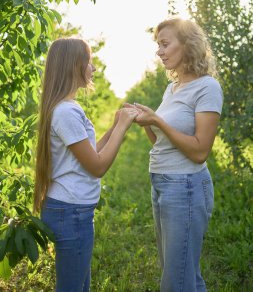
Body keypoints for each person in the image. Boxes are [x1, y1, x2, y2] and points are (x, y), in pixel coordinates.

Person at [33, 37, 138, 292]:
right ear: (74, 65)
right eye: (89, 62)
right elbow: (97, 166)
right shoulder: (66, 112)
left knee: (80, 285)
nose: (93, 68)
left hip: (71, 210)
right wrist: (122, 128)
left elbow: (88, 153)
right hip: (70, 212)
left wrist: (114, 126)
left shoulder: (67, 107)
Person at [127, 17, 223, 292]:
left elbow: (200, 150)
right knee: (181, 273)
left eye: (165, 44)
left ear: (188, 44)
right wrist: (147, 121)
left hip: (186, 188)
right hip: (161, 184)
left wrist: (158, 121)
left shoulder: (207, 88)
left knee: (176, 280)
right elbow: (162, 141)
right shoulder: (173, 88)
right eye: (158, 45)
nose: (159, 51)